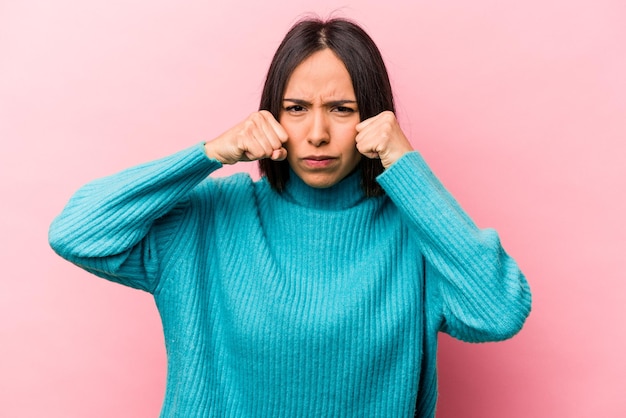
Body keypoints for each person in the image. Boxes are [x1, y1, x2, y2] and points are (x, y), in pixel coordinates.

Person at [49, 17, 531, 418]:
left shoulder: (416, 233)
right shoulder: (210, 218)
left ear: (375, 119)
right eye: (296, 108)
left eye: (342, 109)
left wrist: (406, 168)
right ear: (270, 115)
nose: (317, 133)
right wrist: (209, 153)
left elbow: (498, 313)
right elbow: (76, 232)